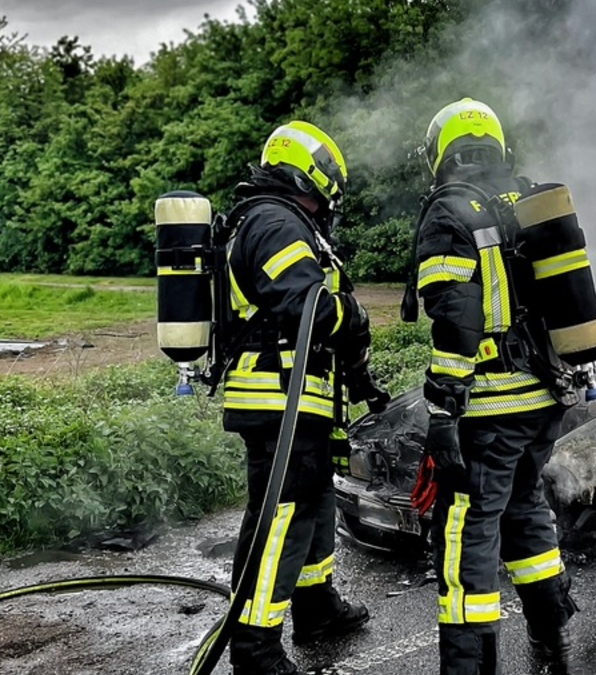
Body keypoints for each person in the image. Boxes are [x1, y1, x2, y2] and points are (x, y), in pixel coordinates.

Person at [412, 98, 580, 675]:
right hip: (544, 401)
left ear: (442, 153)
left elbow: (456, 318)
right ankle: (552, 649)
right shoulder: (526, 201)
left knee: (465, 539)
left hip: (490, 408)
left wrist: (441, 411)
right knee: (528, 514)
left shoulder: (450, 212)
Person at [221, 120, 382, 675]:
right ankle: (255, 646)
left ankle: (316, 608)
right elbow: (305, 305)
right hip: (275, 396)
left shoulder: (290, 222)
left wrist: (360, 380)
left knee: (313, 508)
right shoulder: (272, 220)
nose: (330, 196)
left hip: (303, 396)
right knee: (280, 518)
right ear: (305, 172)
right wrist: (354, 316)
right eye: (326, 183)